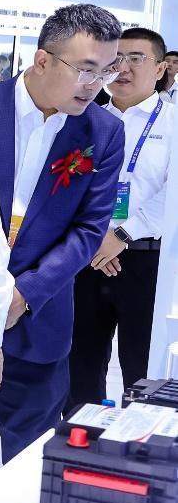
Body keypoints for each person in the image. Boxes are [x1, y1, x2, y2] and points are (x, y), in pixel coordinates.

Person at [0, 3, 126, 503]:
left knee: (31, 466)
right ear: (43, 60)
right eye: (85, 69)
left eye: (105, 71)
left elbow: (89, 228)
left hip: (39, 318)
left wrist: (25, 293)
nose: (95, 85)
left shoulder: (103, 131)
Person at [66, 27, 171, 410]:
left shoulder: (172, 122)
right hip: (87, 256)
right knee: (79, 363)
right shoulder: (83, 118)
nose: (123, 68)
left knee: (141, 368)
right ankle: (81, 434)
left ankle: (137, 441)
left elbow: (172, 195)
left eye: (136, 59)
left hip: (145, 261)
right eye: (116, 59)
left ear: (160, 68)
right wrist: (97, 238)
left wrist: (122, 235)